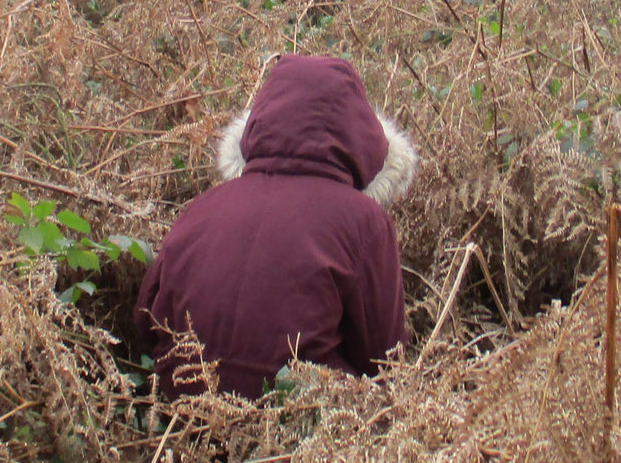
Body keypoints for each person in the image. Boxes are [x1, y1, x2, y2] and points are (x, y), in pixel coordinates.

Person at [134, 55, 417, 397]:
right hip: (298, 420)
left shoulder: (203, 207)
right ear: (363, 139)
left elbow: (144, 320)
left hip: (182, 414)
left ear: (259, 123)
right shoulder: (364, 222)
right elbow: (386, 361)